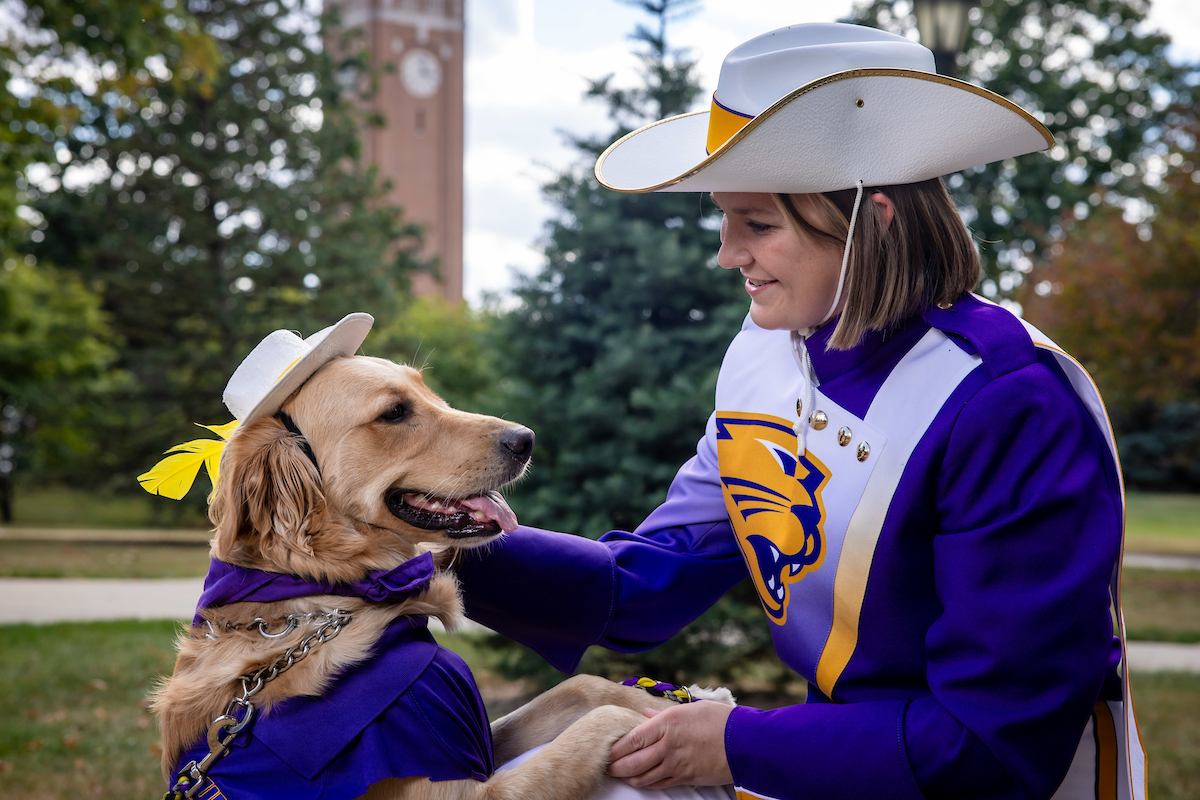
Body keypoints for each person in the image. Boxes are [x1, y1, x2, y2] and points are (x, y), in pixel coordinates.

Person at [456, 22, 1145, 800]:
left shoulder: (1011, 402)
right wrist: (438, 545)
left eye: (757, 224)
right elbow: (647, 586)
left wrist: (737, 746)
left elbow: (991, 748)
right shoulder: (765, 351)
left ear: (874, 221)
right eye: (725, 219)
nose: (727, 253)